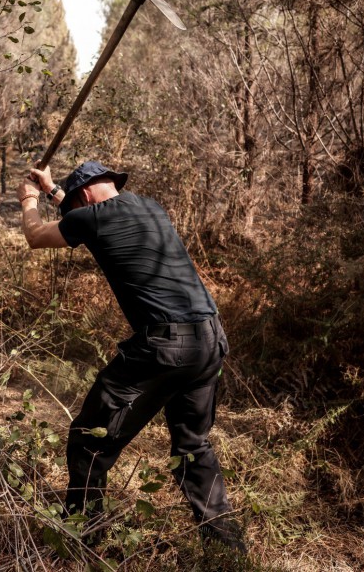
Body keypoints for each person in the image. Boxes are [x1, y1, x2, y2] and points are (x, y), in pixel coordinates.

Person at [16, 160, 245, 553]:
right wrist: (55, 190)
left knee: (89, 438)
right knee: (193, 447)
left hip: (165, 346)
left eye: (74, 199)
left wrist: (29, 200)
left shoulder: (92, 219)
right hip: (210, 338)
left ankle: (82, 543)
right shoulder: (150, 206)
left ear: (84, 196)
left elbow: (36, 236)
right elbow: (85, 214)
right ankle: (228, 552)